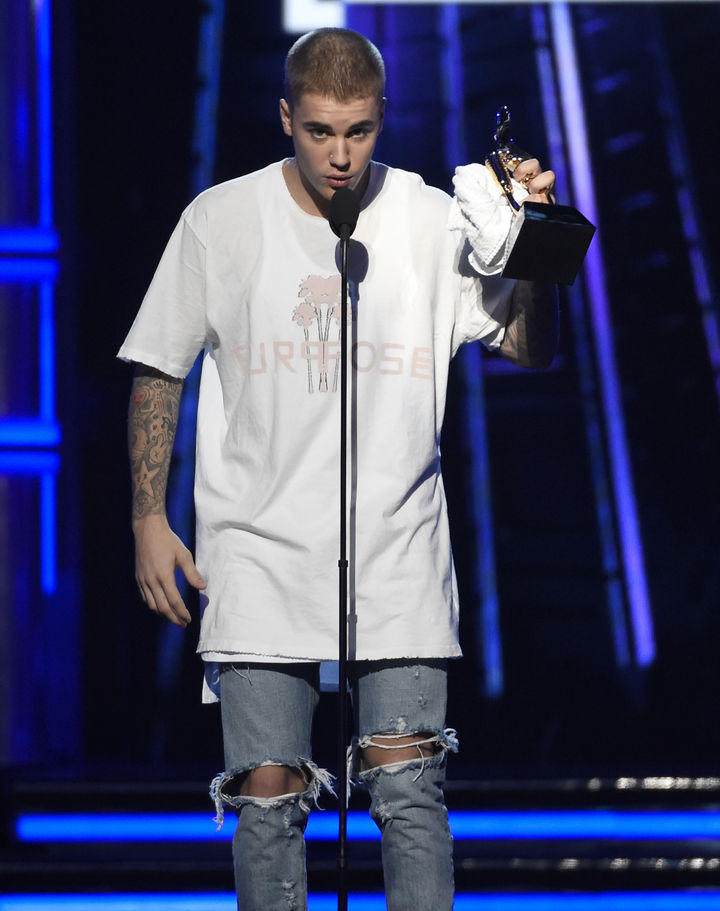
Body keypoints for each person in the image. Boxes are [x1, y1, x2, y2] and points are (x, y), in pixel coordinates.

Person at [118, 27, 558, 911]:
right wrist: (147, 517)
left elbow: (528, 346)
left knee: (411, 797)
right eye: (320, 131)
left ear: (383, 117)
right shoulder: (221, 218)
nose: (340, 154)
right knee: (267, 808)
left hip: (397, 558)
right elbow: (158, 365)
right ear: (286, 116)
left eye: (357, 131)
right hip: (258, 557)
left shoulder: (433, 217)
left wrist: (538, 243)